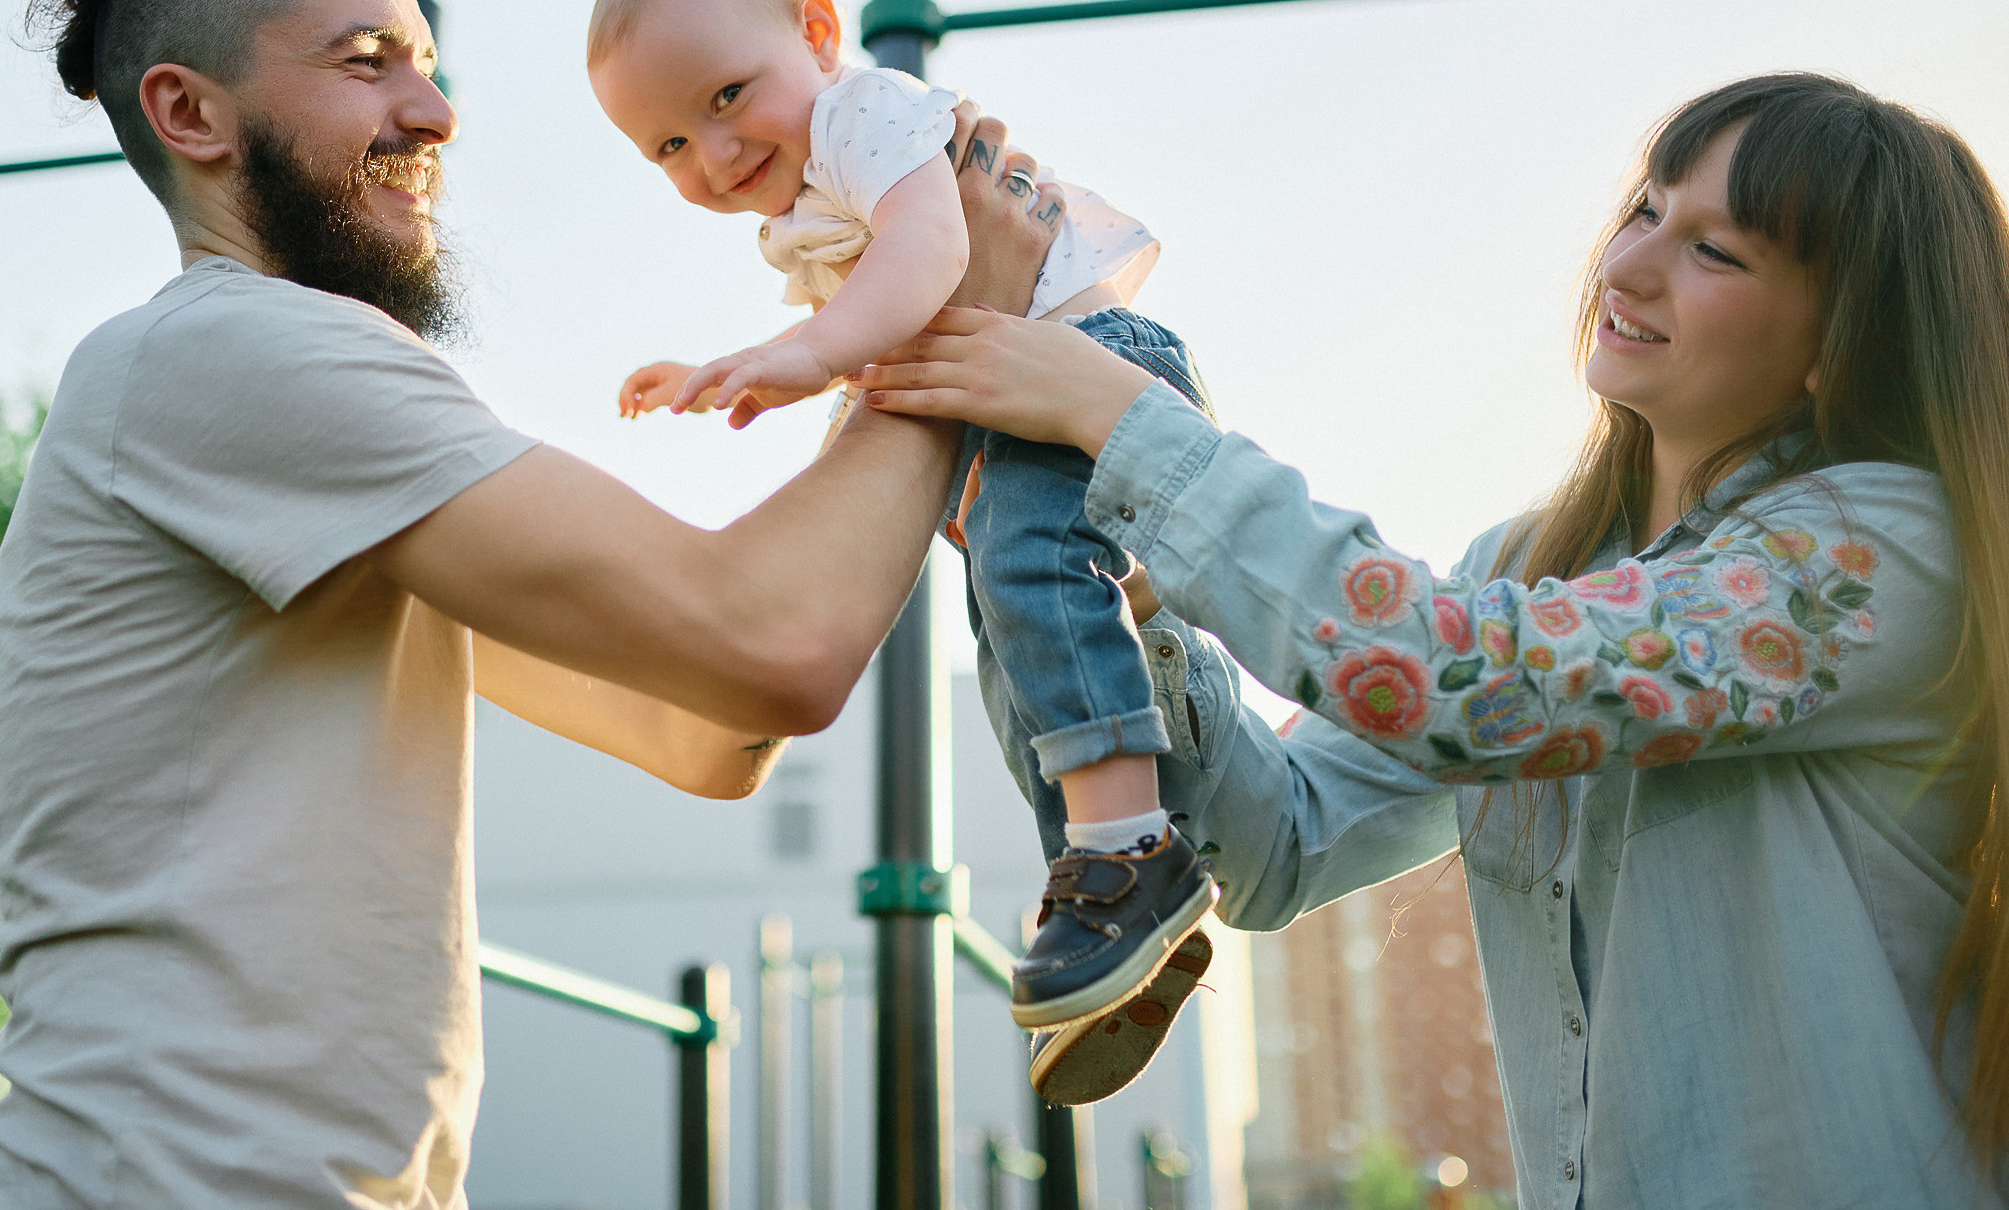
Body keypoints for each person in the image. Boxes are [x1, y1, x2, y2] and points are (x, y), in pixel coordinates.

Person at [0, 0, 1059, 1210]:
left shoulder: (309, 459)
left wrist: (895, 329)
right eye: (367, 64)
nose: (433, 113)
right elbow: (776, 643)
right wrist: (956, 315)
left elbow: (703, 729)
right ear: (192, 112)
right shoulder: (230, 348)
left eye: (424, 65)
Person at [852, 72, 2009, 1204]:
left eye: (1716, 249)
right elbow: (1276, 846)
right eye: (1648, 209)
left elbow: (1468, 682)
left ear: (1835, 342)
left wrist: (1117, 414)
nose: (1629, 263)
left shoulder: (1886, 553)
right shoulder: (1528, 568)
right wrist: (1117, 592)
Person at [586, 0, 1217, 1037]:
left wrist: (802, 354)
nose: (716, 157)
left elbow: (933, 253)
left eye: (726, 97)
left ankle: (1136, 855)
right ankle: (1098, 899)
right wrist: (744, 359)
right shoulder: (806, 187)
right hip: (1019, 397)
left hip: (1087, 369)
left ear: (819, 30)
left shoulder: (862, 115)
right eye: (669, 147)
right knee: (1015, 651)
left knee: (1028, 570)